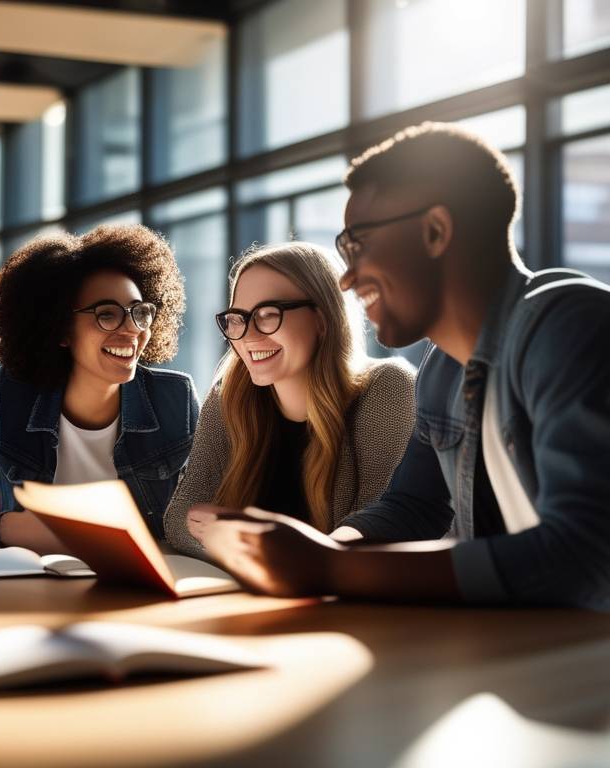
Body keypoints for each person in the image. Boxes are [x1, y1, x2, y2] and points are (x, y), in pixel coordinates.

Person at [187, 123, 610, 611]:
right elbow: (413, 507)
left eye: (358, 245)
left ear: (435, 231)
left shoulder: (569, 327)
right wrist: (312, 555)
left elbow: (586, 555)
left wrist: (329, 567)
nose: (346, 278)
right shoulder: (443, 371)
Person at [0, 224, 198, 552]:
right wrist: (3, 526)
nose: (131, 329)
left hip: (140, 589)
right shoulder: (4, 397)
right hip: (34, 589)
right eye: (107, 314)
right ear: (60, 328)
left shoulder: (176, 400)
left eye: (139, 312)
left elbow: (205, 512)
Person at [163, 243, 415, 558]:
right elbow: (180, 517)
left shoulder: (386, 387)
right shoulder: (228, 395)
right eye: (238, 318)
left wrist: (251, 548)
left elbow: (379, 525)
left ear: (322, 320)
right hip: (248, 591)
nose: (249, 335)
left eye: (268, 315)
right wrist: (242, 558)